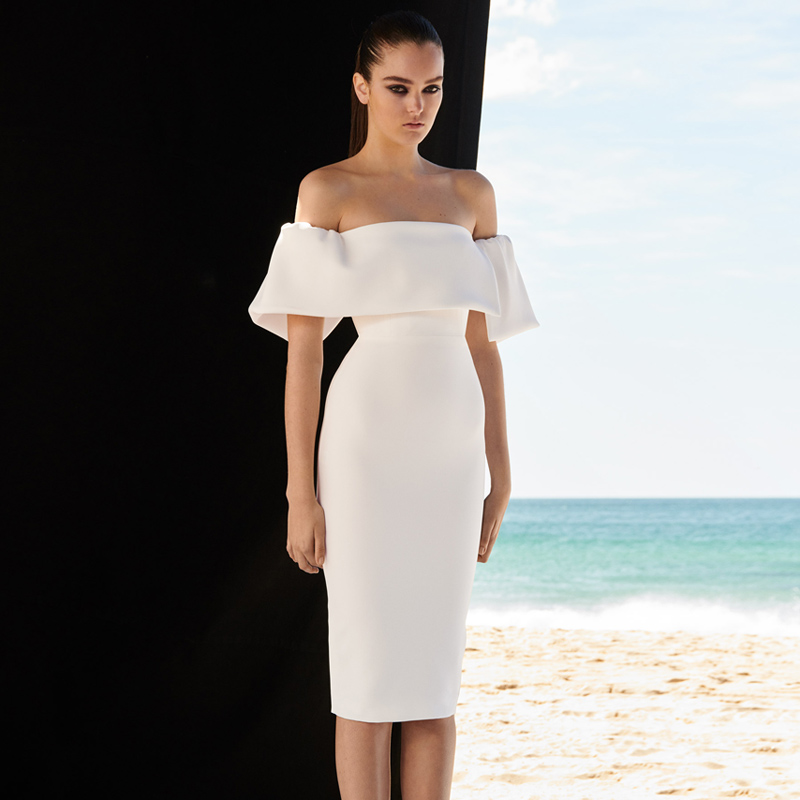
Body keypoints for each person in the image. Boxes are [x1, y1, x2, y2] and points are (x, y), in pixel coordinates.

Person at [249, 10, 539, 800]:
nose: (418, 106)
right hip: (365, 444)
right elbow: (304, 353)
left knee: (434, 679)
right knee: (368, 675)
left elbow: (484, 347)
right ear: (362, 88)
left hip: (451, 449)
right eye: (400, 88)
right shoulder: (328, 190)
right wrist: (299, 493)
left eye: (433, 89)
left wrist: (502, 472)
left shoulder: (471, 194)